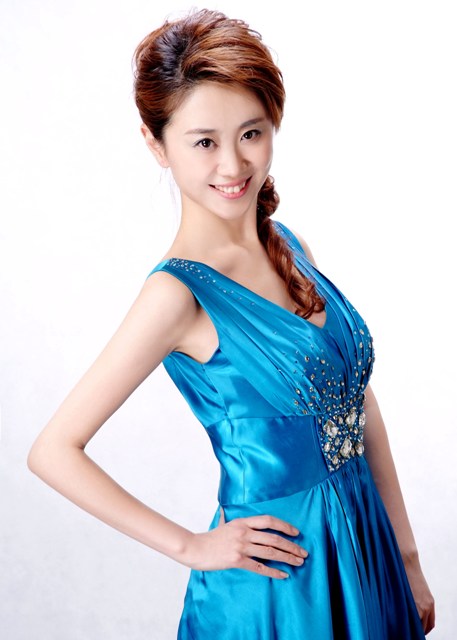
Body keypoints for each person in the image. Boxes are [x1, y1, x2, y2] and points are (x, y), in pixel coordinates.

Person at [28, 8, 435, 639]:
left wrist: (406, 556)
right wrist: (191, 546)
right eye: (204, 142)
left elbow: (357, 402)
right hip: (278, 582)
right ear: (155, 144)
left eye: (251, 133)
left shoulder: (290, 246)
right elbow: (53, 451)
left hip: (365, 546)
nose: (233, 164)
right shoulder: (176, 295)